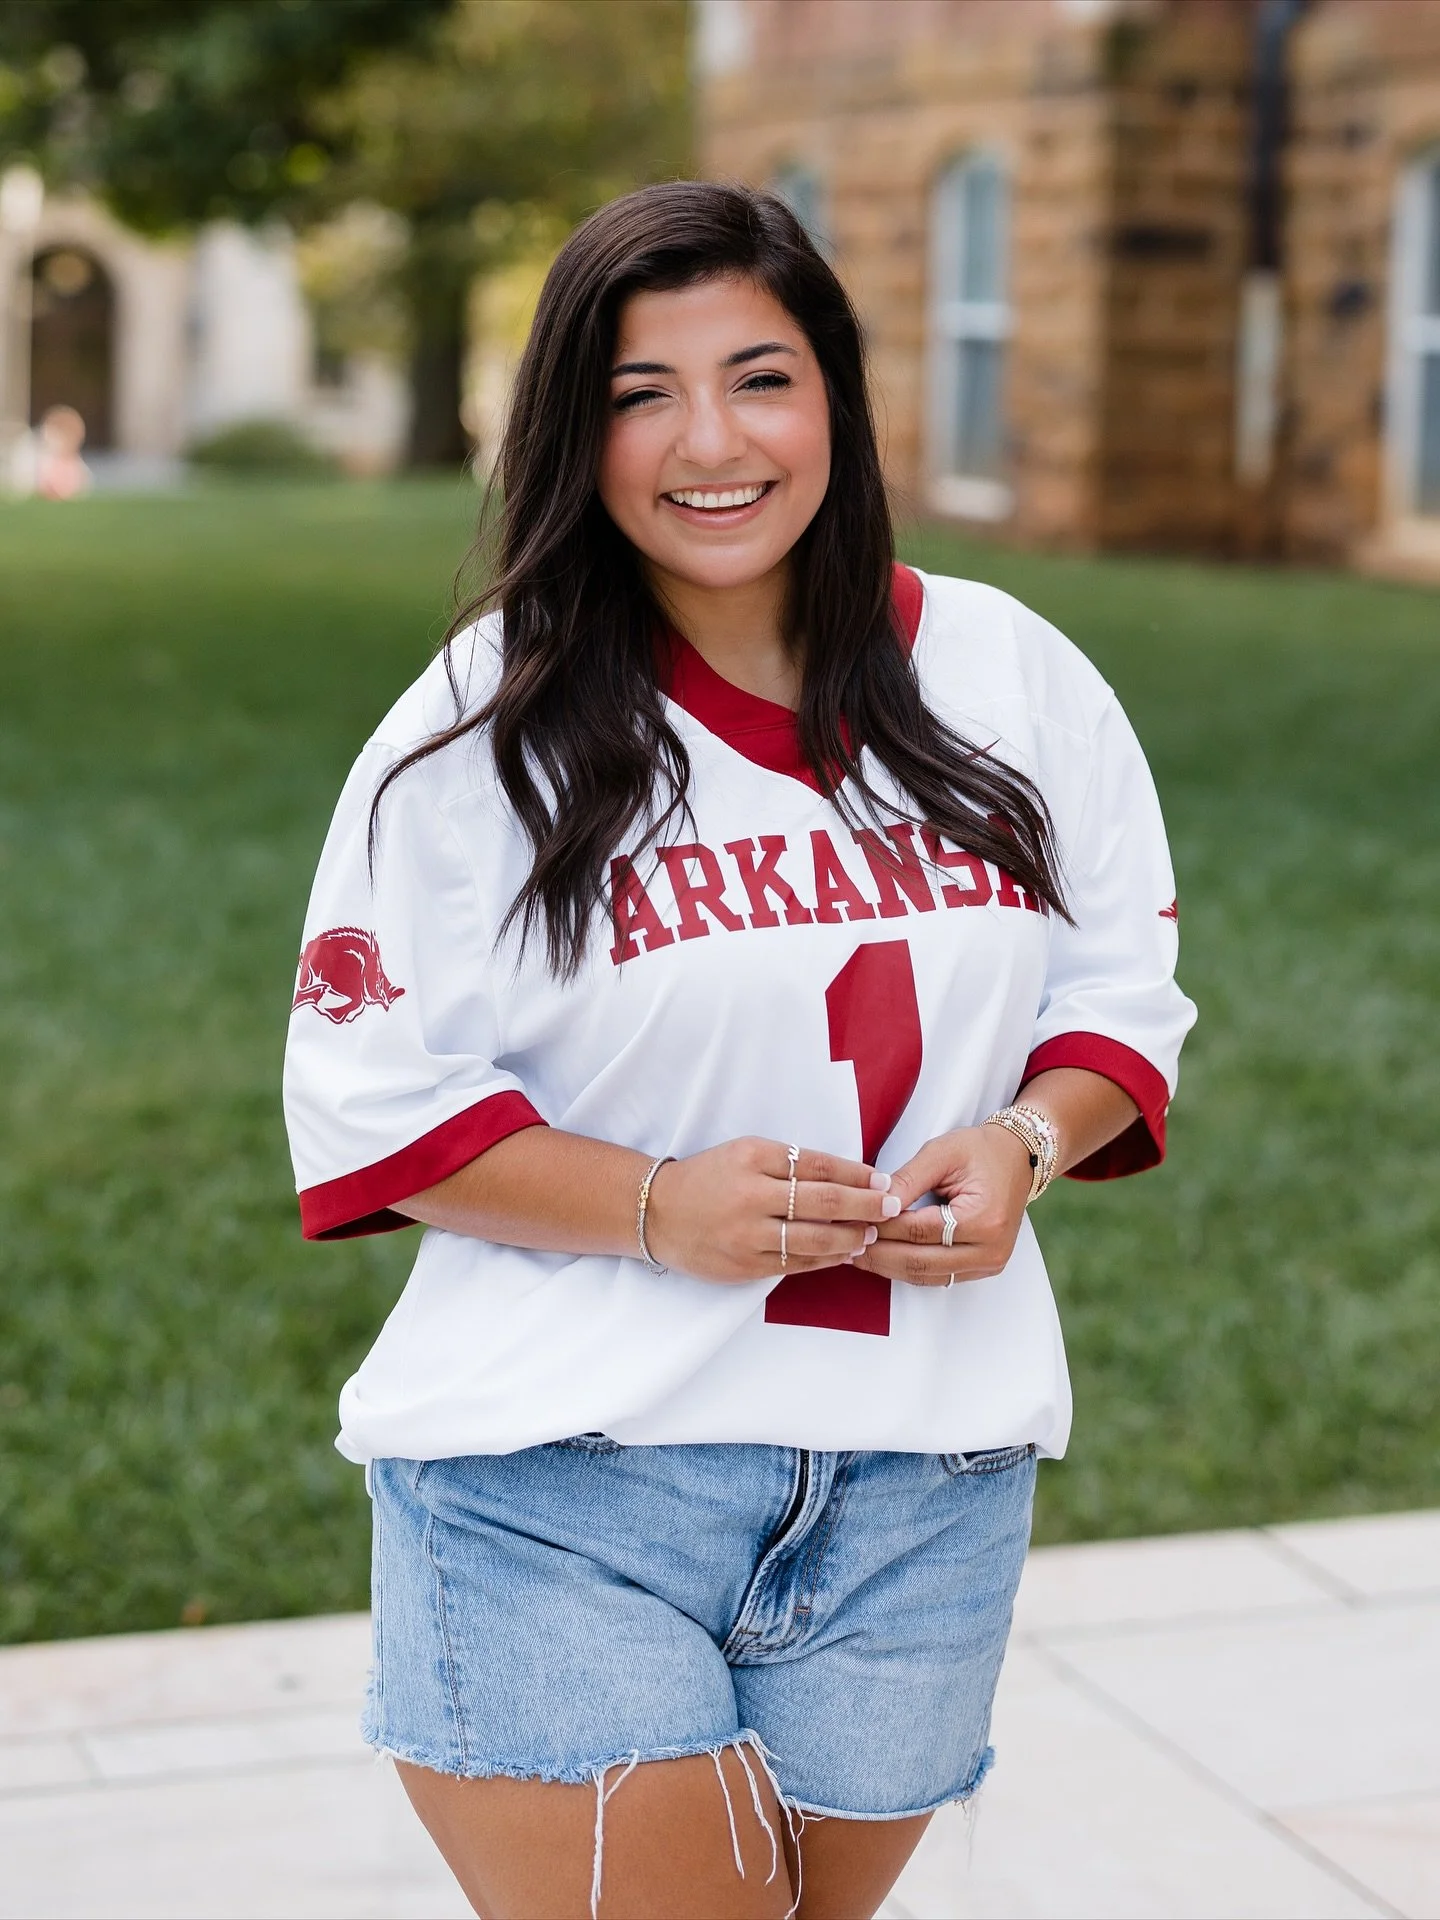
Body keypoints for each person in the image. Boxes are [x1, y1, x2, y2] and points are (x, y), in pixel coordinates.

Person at [284, 181, 1195, 1920]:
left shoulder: (1012, 673)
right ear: (577, 433)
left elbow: (1117, 995)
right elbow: (370, 1098)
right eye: (643, 394)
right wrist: (654, 1206)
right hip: (563, 1479)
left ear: (837, 400)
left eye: (760, 377)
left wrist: (1026, 1142)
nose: (712, 440)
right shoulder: (484, 730)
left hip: (925, 1478)